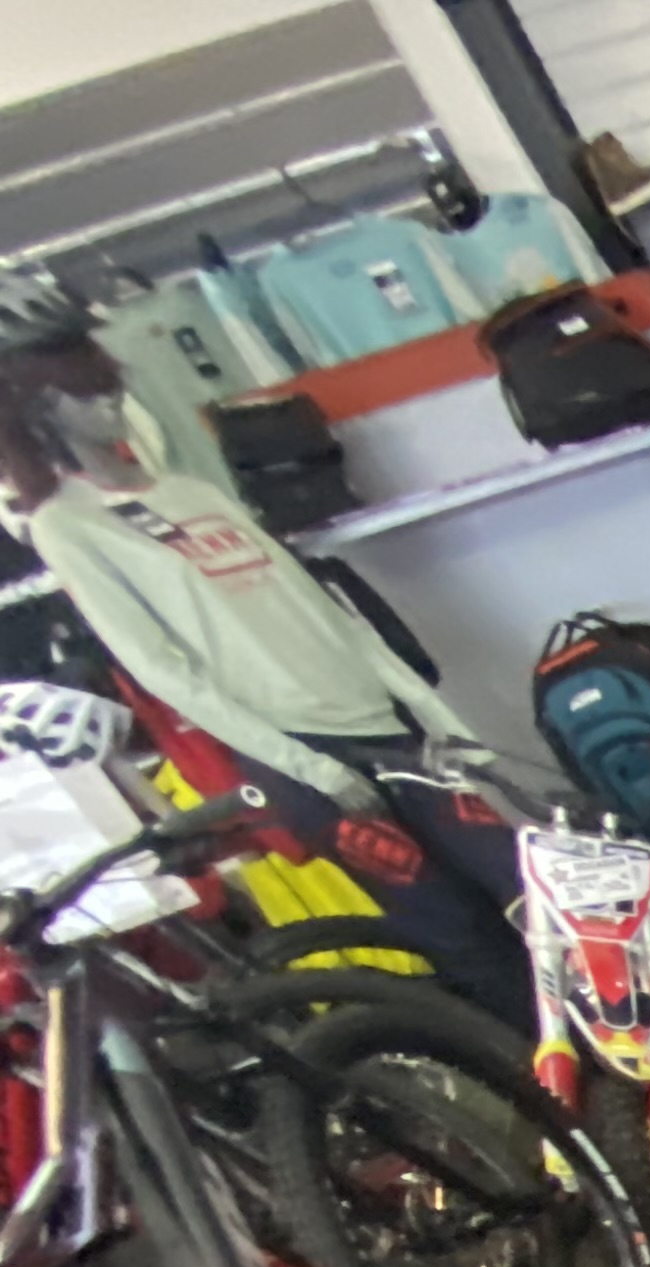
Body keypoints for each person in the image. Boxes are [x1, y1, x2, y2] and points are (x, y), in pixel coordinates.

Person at [0, 265, 541, 1023]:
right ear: (38, 409)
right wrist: (307, 766)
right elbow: (164, 672)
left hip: (386, 725)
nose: (108, 400)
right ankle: (551, 1074)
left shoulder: (193, 494)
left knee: (528, 888)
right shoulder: (69, 529)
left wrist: (430, 712)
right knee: (455, 930)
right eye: (81, 391)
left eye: (106, 381)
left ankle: (643, 1046)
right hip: (301, 750)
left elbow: (324, 612)